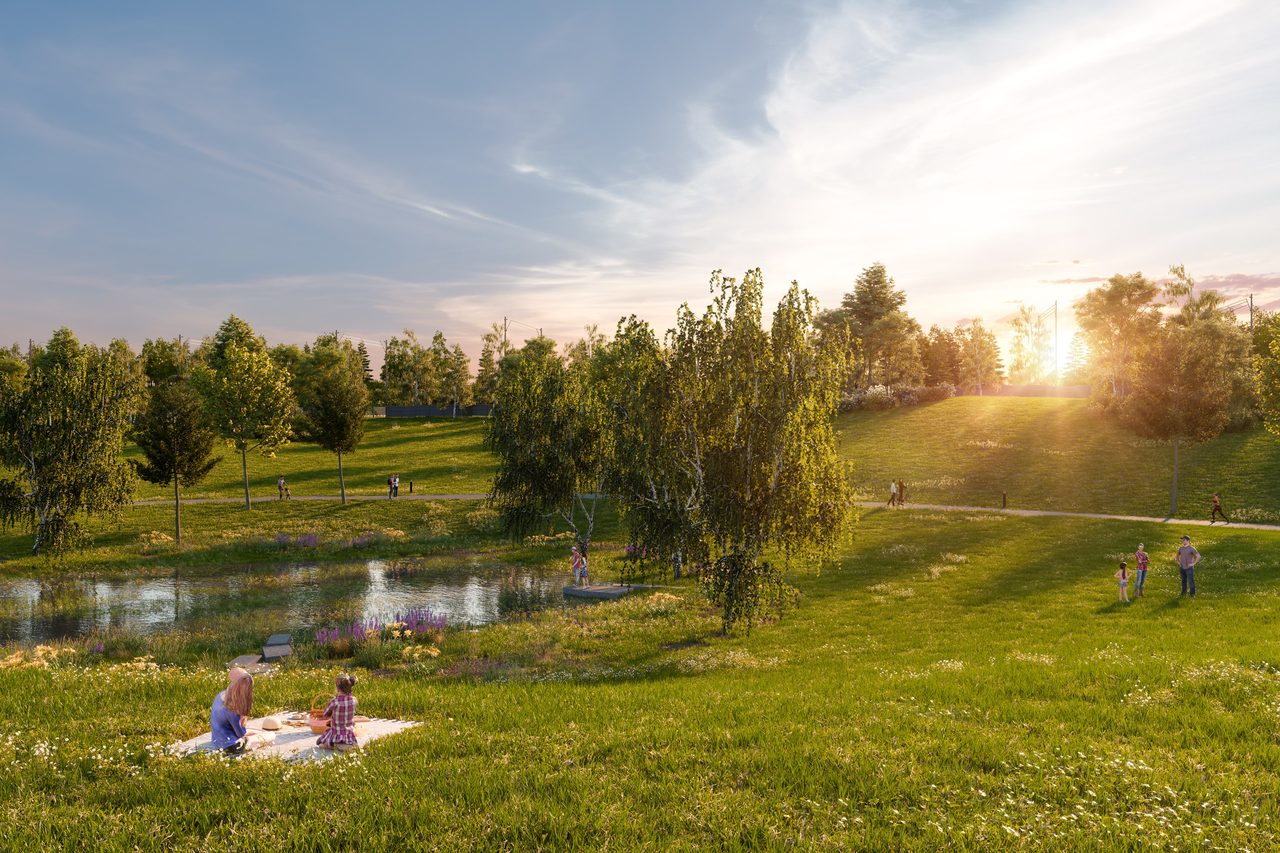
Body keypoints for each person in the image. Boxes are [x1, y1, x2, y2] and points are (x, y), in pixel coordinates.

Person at [211, 669, 261, 755]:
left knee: (253, 731)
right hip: (231, 746)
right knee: (269, 735)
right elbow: (240, 733)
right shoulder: (233, 711)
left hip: (216, 741)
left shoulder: (219, 696)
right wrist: (249, 731)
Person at [317, 673, 359, 750]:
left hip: (337, 731)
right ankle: (346, 744)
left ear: (337, 689)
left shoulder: (334, 701)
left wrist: (330, 713)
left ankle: (335, 745)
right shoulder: (354, 700)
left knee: (320, 743)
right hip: (349, 732)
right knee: (323, 738)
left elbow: (325, 714)